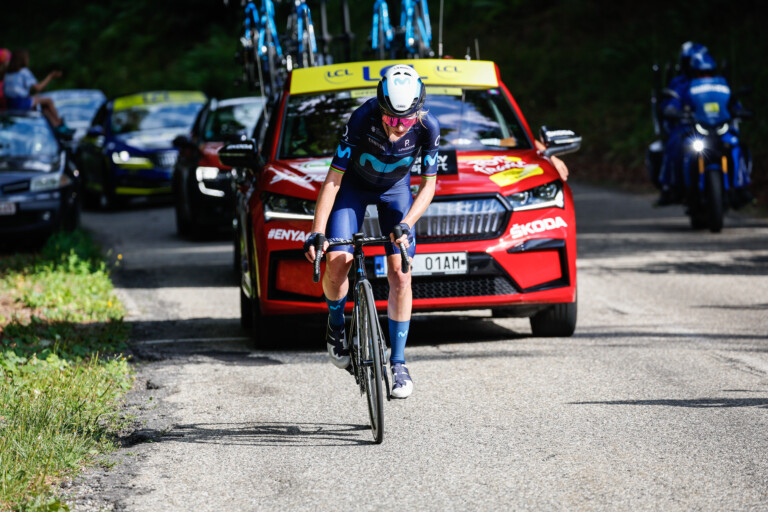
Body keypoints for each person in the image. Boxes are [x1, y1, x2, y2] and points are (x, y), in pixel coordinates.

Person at [303, 65, 439, 399]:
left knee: (401, 273)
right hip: (353, 189)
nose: (396, 127)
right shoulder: (362, 118)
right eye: (390, 118)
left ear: (418, 111)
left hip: (396, 192)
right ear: (380, 106)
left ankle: (398, 362)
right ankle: (336, 326)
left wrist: (407, 224)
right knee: (338, 260)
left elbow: (429, 186)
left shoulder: (427, 127)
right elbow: (334, 179)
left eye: (404, 120)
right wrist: (317, 231)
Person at [656, 41, 709, 205]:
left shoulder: (715, 82)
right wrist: (672, 110)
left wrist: (737, 109)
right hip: (687, 126)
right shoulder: (679, 83)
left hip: (713, 126)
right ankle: (670, 184)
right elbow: (672, 101)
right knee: (674, 144)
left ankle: (742, 184)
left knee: (735, 142)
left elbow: (726, 99)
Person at [2, 48, 70, 133]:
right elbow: (39, 88)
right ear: (23, 59)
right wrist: (51, 76)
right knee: (48, 100)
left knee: (44, 107)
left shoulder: (8, 74)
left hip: (10, 104)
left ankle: (55, 125)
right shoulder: (24, 71)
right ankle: (60, 124)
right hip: (21, 103)